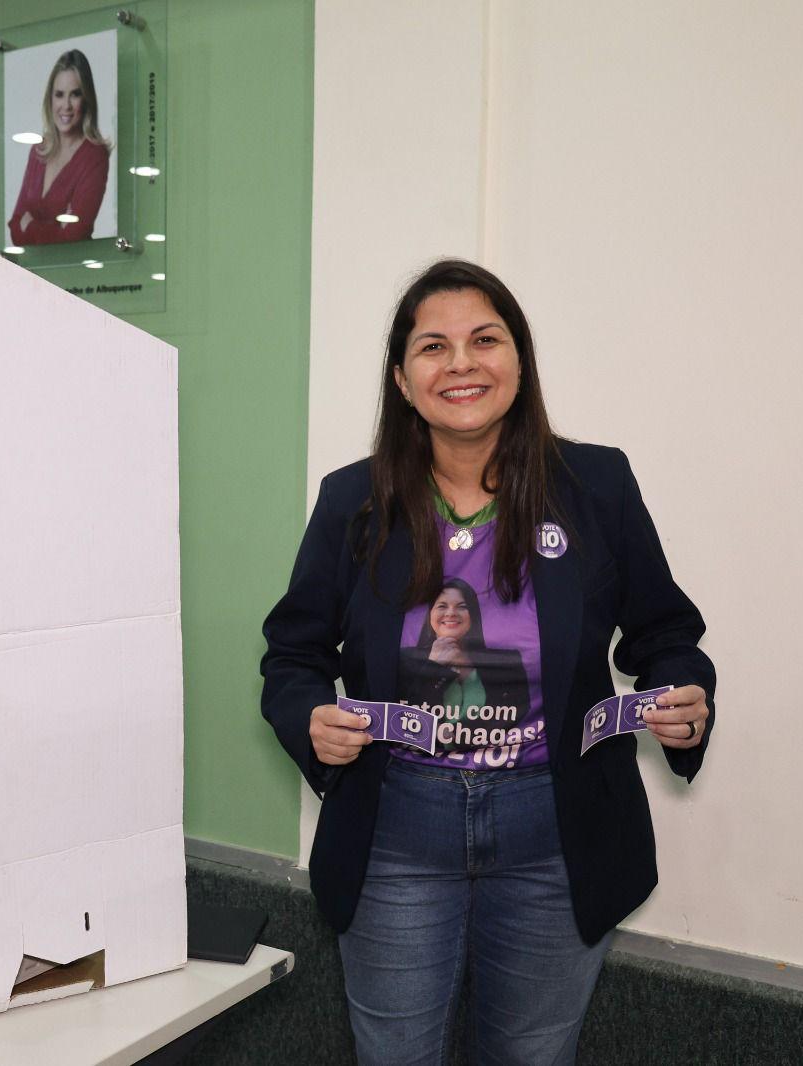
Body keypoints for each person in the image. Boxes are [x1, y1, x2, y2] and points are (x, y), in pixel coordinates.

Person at [261, 259, 716, 1065]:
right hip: (397, 830)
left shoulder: (595, 486)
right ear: (403, 379)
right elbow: (293, 655)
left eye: (485, 339)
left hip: (557, 830)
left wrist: (682, 695)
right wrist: (308, 717)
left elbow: (664, 633)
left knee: (532, 1057)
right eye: (433, 346)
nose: (462, 362)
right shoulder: (351, 502)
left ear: (520, 359)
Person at [398, 577, 531, 760]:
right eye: (442, 606)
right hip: (425, 767)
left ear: (473, 615)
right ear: (430, 616)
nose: (451, 613)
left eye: (462, 606)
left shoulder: (507, 660)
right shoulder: (406, 659)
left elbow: (521, 713)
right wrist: (434, 666)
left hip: (494, 764)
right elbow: (405, 717)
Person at [7, 49, 110, 246]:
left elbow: (74, 236)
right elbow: (14, 228)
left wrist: (30, 225)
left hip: (73, 273)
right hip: (31, 273)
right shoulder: (39, 150)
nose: (66, 105)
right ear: (50, 99)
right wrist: (55, 229)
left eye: (75, 95)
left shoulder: (95, 156)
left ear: (86, 99)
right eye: (59, 95)